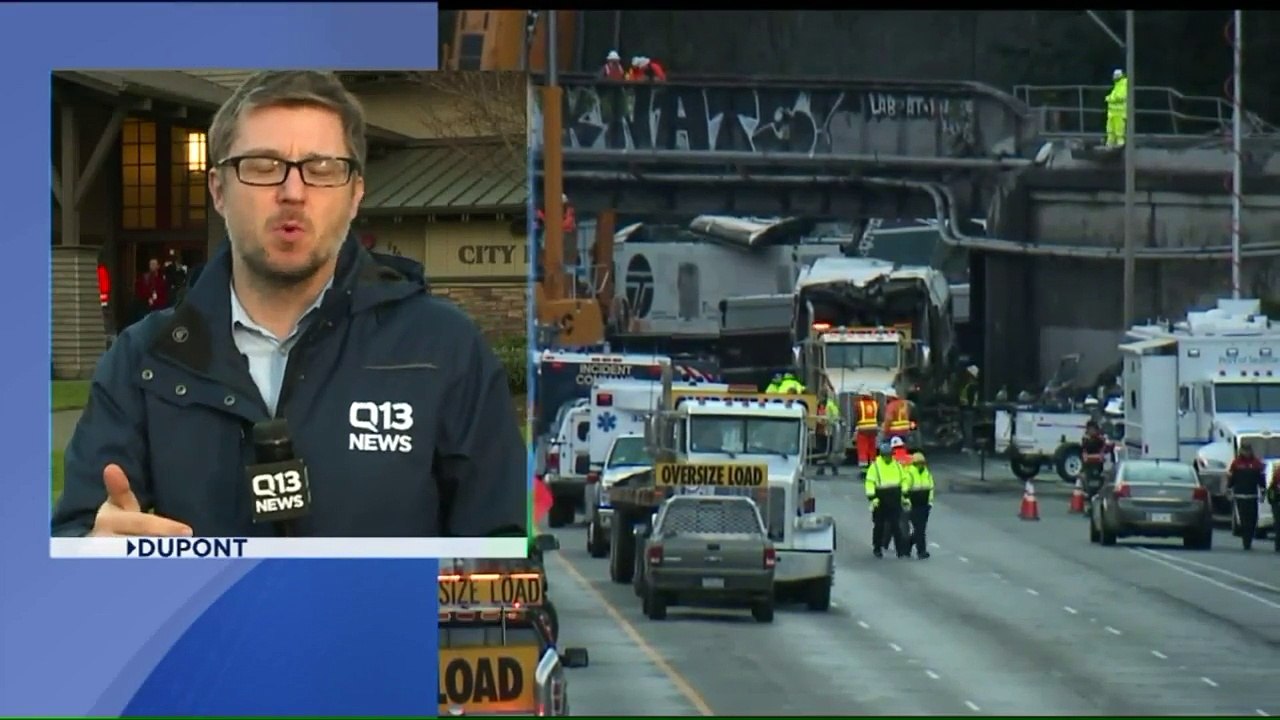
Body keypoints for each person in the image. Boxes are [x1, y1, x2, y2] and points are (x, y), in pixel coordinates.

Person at [52, 71, 527, 539]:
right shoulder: (145, 360)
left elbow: (499, 556)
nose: (293, 192)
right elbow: (74, 538)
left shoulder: (442, 349)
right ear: (218, 190)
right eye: (262, 165)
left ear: (356, 192)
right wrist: (91, 554)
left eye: (322, 169)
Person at [865, 441, 909, 558]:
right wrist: (872, 498)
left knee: (896, 526)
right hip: (881, 498)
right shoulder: (875, 467)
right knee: (879, 526)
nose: (888, 457)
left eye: (890, 455)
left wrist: (905, 495)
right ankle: (877, 548)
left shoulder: (897, 465)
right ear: (882, 455)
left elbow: (904, 479)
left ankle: (900, 550)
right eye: (886, 455)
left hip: (894, 497)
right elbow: (870, 482)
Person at [1227, 443, 1266, 550]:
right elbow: (1231, 479)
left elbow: (1261, 479)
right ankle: (1246, 542)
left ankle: (1249, 537)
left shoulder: (1256, 463)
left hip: (1252, 496)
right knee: (1244, 520)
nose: (1246, 453)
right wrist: (1229, 489)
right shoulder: (1236, 463)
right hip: (1240, 496)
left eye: (1248, 450)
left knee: (1253, 519)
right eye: (1244, 450)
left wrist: (1263, 491)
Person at [853, 393, 879, 469]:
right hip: (873, 429)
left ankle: (864, 467)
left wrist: (854, 428)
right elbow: (879, 416)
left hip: (863, 429)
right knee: (872, 447)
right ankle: (873, 464)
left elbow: (856, 417)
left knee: (863, 447)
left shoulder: (859, 404)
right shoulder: (875, 404)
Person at [1105, 68, 1128, 148]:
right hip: (1112, 113)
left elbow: (1120, 96)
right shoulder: (1117, 85)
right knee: (1110, 129)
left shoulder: (1124, 84)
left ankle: (1120, 145)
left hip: (1119, 113)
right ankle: (1110, 144)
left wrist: (1109, 98)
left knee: (1119, 130)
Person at [1267, 465, 1280, 552]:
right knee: (1278, 524)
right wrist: (1273, 501)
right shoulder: (1277, 473)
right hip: (1277, 503)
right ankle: (1278, 545)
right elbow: (1272, 489)